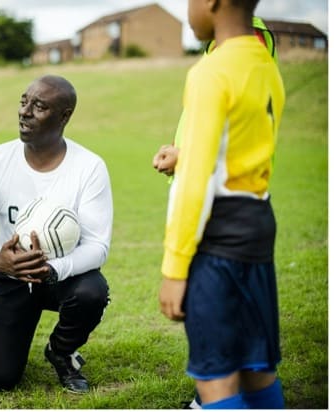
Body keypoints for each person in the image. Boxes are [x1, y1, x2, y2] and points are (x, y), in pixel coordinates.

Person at [158, 0, 285, 409]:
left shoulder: (211, 71)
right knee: (256, 367)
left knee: (215, 378)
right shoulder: (266, 65)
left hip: (218, 238)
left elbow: (196, 181)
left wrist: (175, 270)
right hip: (258, 225)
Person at [0, 75, 112, 394]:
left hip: (63, 275)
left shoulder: (89, 167)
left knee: (92, 292)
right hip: (11, 275)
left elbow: (98, 246)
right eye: (23, 101)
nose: (25, 112)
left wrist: (53, 269)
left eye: (39, 106)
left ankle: (61, 351)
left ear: (64, 115)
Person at [152, 16, 277, 178]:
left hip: (229, 194)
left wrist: (184, 158)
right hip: (203, 187)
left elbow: (243, 136)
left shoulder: (246, 43)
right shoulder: (219, 48)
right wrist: (176, 148)